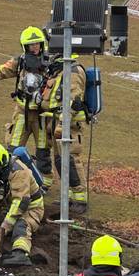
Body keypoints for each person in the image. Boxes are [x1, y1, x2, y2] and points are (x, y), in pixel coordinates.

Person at [0, 140, 45, 267]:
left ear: (2, 161)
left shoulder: (19, 171)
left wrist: (4, 227)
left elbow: (21, 202)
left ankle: (20, 253)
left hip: (30, 208)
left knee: (21, 225)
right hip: (6, 206)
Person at [0, 26, 49, 161]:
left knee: (43, 151)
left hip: (42, 114)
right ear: (25, 46)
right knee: (14, 148)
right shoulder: (20, 61)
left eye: (37, 43)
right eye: (31, 44)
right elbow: (5, 69)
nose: (35, 47)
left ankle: (44, 174)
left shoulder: (49, 62)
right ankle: (15, 171)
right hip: (22, 112)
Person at [39, 55, 88, 212]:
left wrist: (63, 122)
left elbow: (74, 101)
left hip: (70, 124)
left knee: (71, 160)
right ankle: (67, 196)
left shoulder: (73, 71)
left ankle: (80, 199)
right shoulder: (59, 71)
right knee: (60, 161)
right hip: (56, 122)